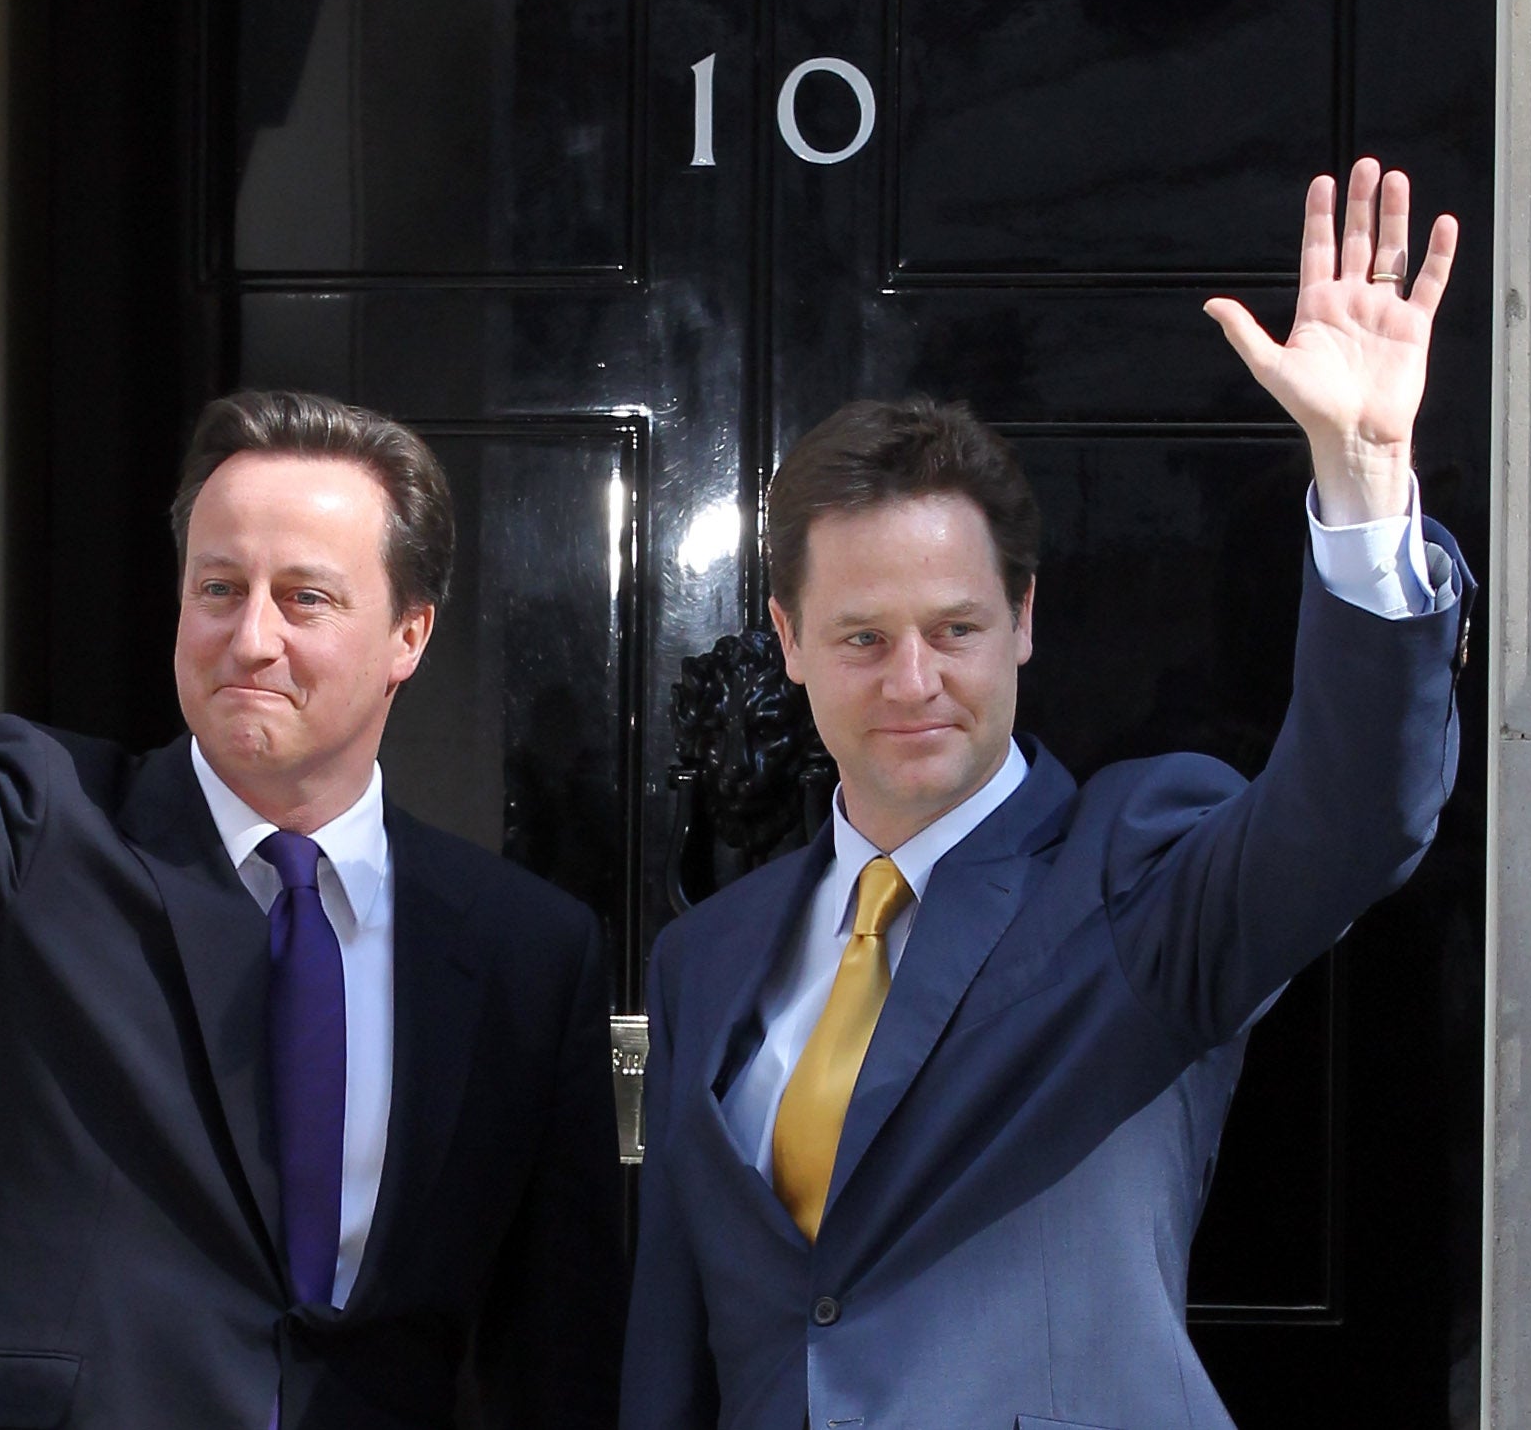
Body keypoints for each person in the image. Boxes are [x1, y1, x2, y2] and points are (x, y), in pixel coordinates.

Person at [0, 242, 624, 1430]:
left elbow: (562, 1345)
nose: (251, 637)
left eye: (306, 597)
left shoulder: (524, 953)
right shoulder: (41, 828)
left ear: (409, 632)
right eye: (217, 588)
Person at [620, 159, 1472, 1430]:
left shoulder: (1131, 868)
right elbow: (679, 1349)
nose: (914, 680)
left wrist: (1360, 480)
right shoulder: (707, 957)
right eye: (862, 637)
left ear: (1024, 621)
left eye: (956, 627)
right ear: (790, 639)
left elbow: (1352, 819)